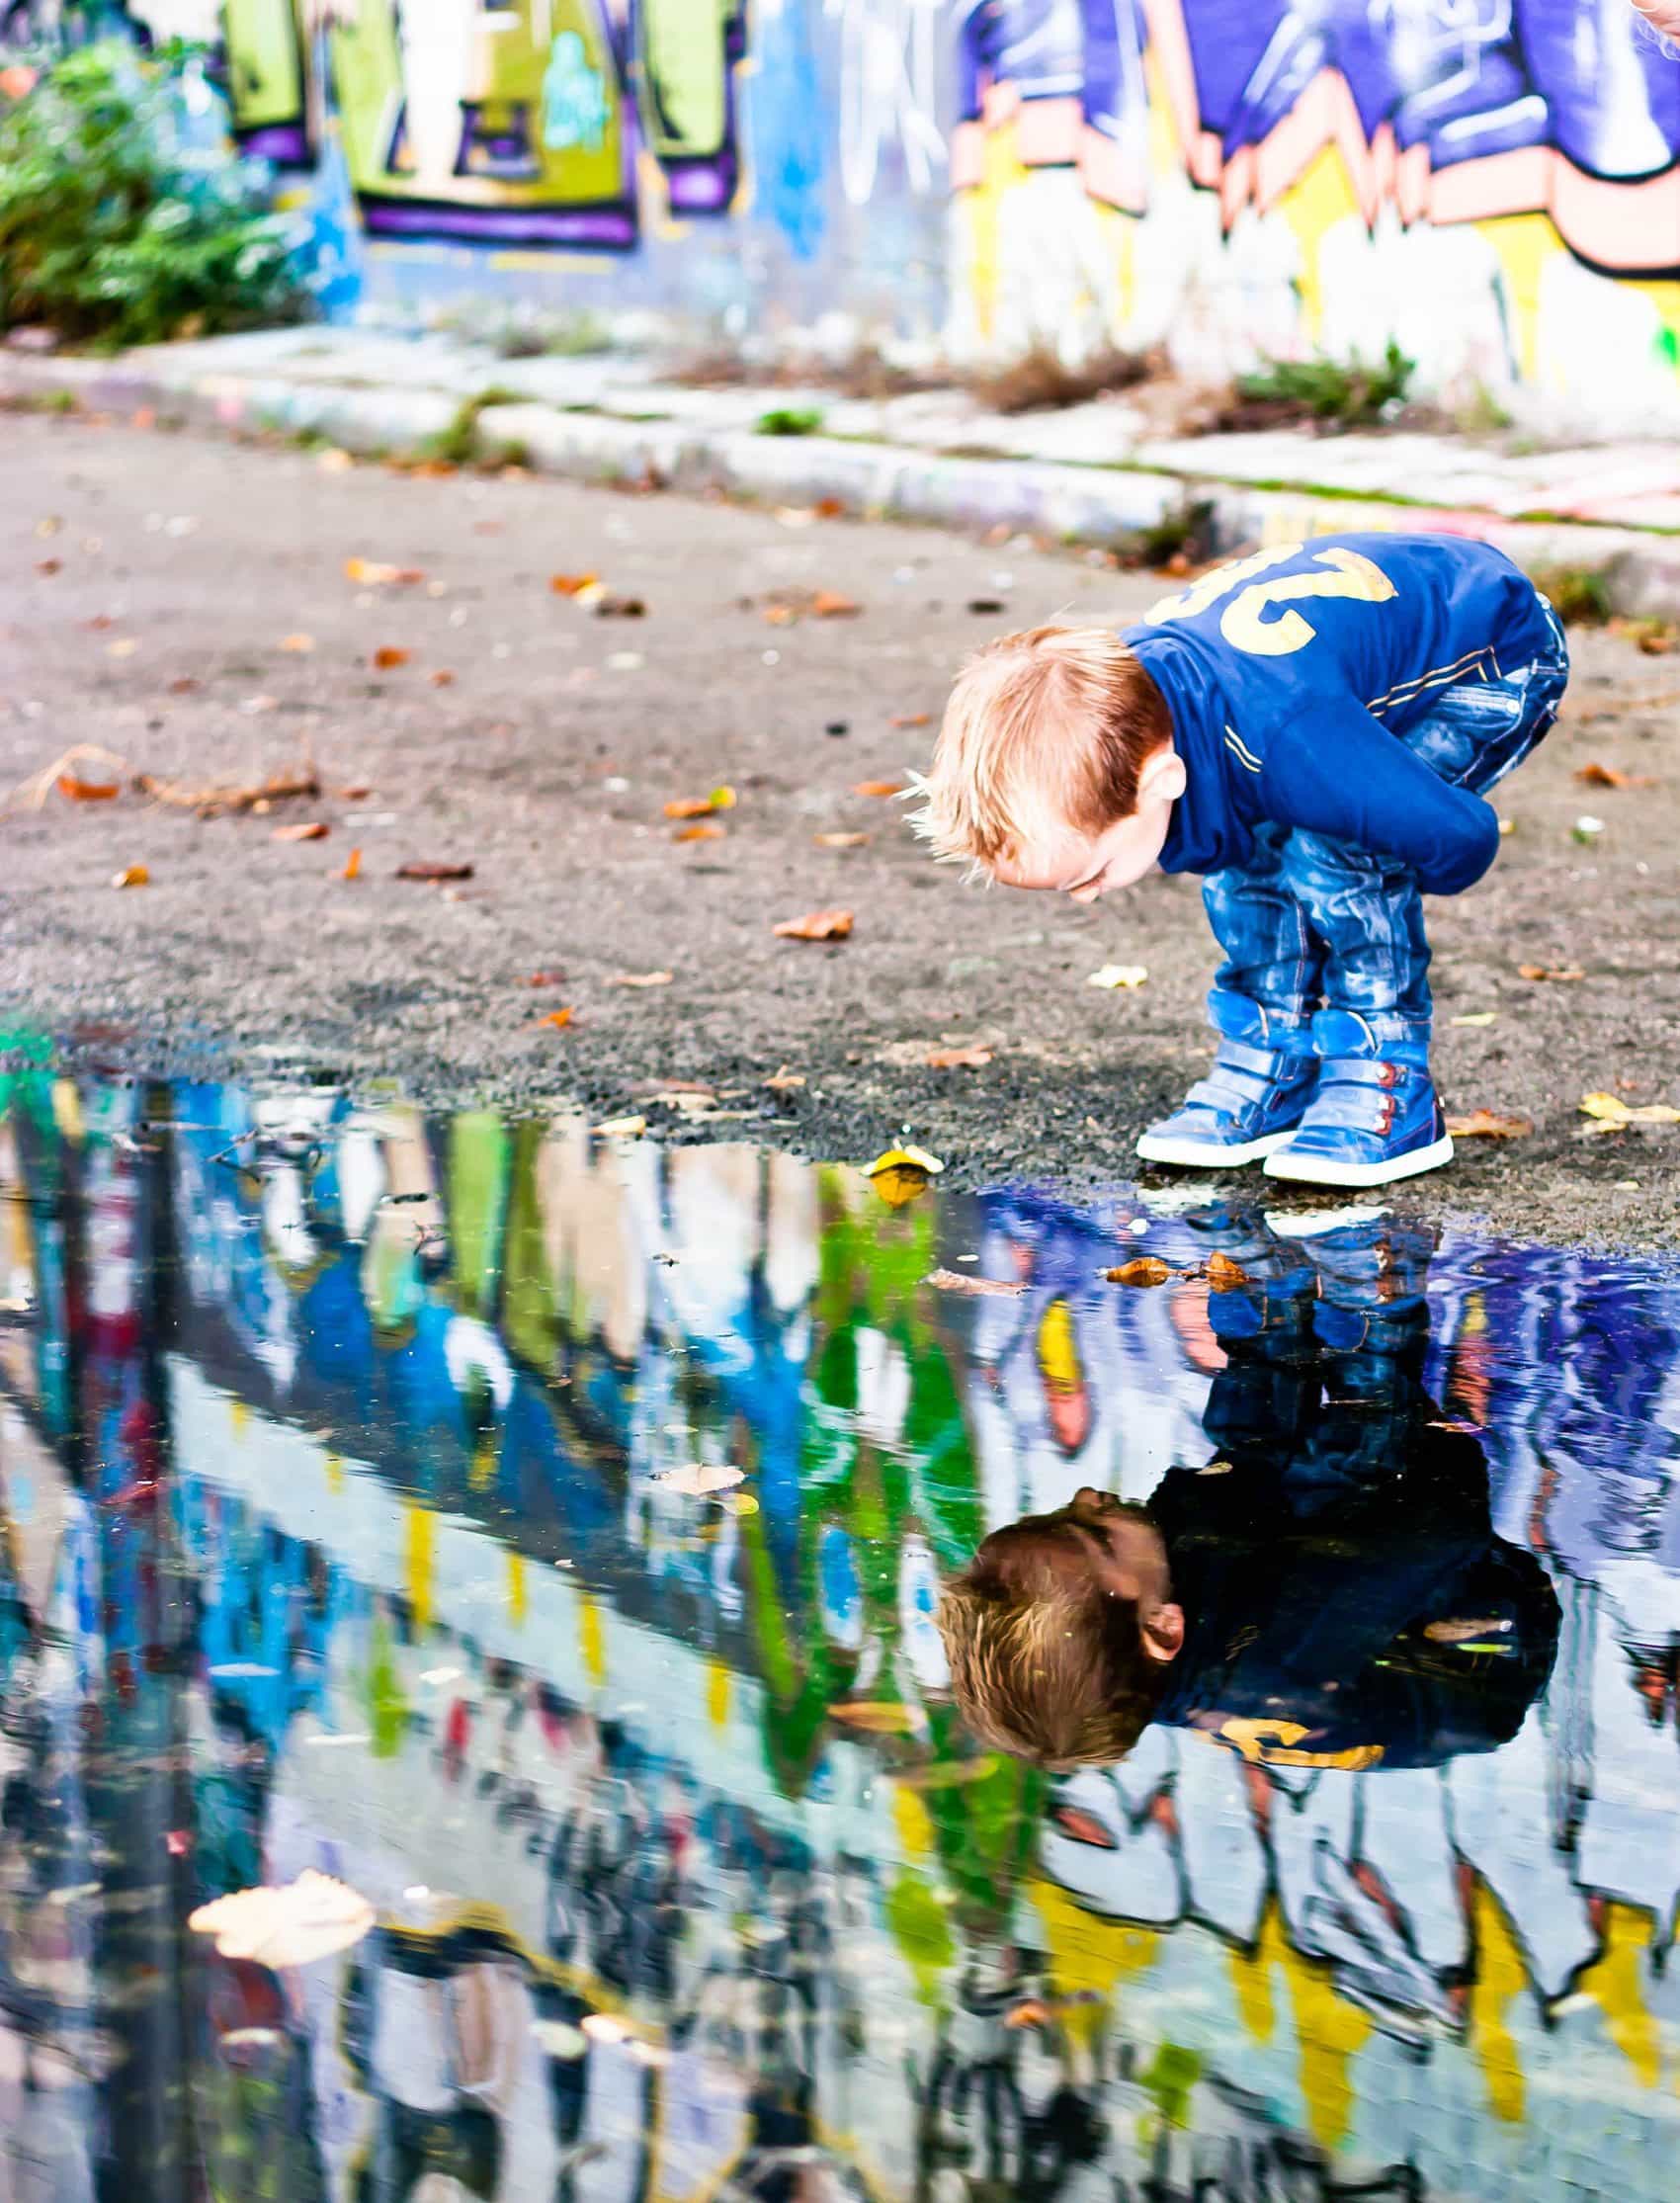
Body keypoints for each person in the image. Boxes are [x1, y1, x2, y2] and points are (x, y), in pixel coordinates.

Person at [911, 533, 1568, 1187]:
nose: (1085, 896)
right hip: (1316, 701)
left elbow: (1463, 838)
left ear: (1162, 779)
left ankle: (1387, 1078)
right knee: (1250, 856)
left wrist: (1388, 834)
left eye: (1090, 875)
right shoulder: (1128, 708)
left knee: (1336, 853)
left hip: (1492, 653)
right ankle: (1277, 1060)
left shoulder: (1290, 740)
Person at [935, 1206, 1560, 1770]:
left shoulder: (1141, 1623)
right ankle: (1372, 1292)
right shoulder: (1284, 1651)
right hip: (1475, 1626)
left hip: (1296, 1581)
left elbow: (1232, 1497)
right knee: (1345, 1457)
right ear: (1164, 1629)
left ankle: (1263, 1292)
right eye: (1093, 1532)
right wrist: (1383, 1401)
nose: (1088, 1496)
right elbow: (1439, 1531)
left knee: (1236, 1468)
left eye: (1055, 1512)